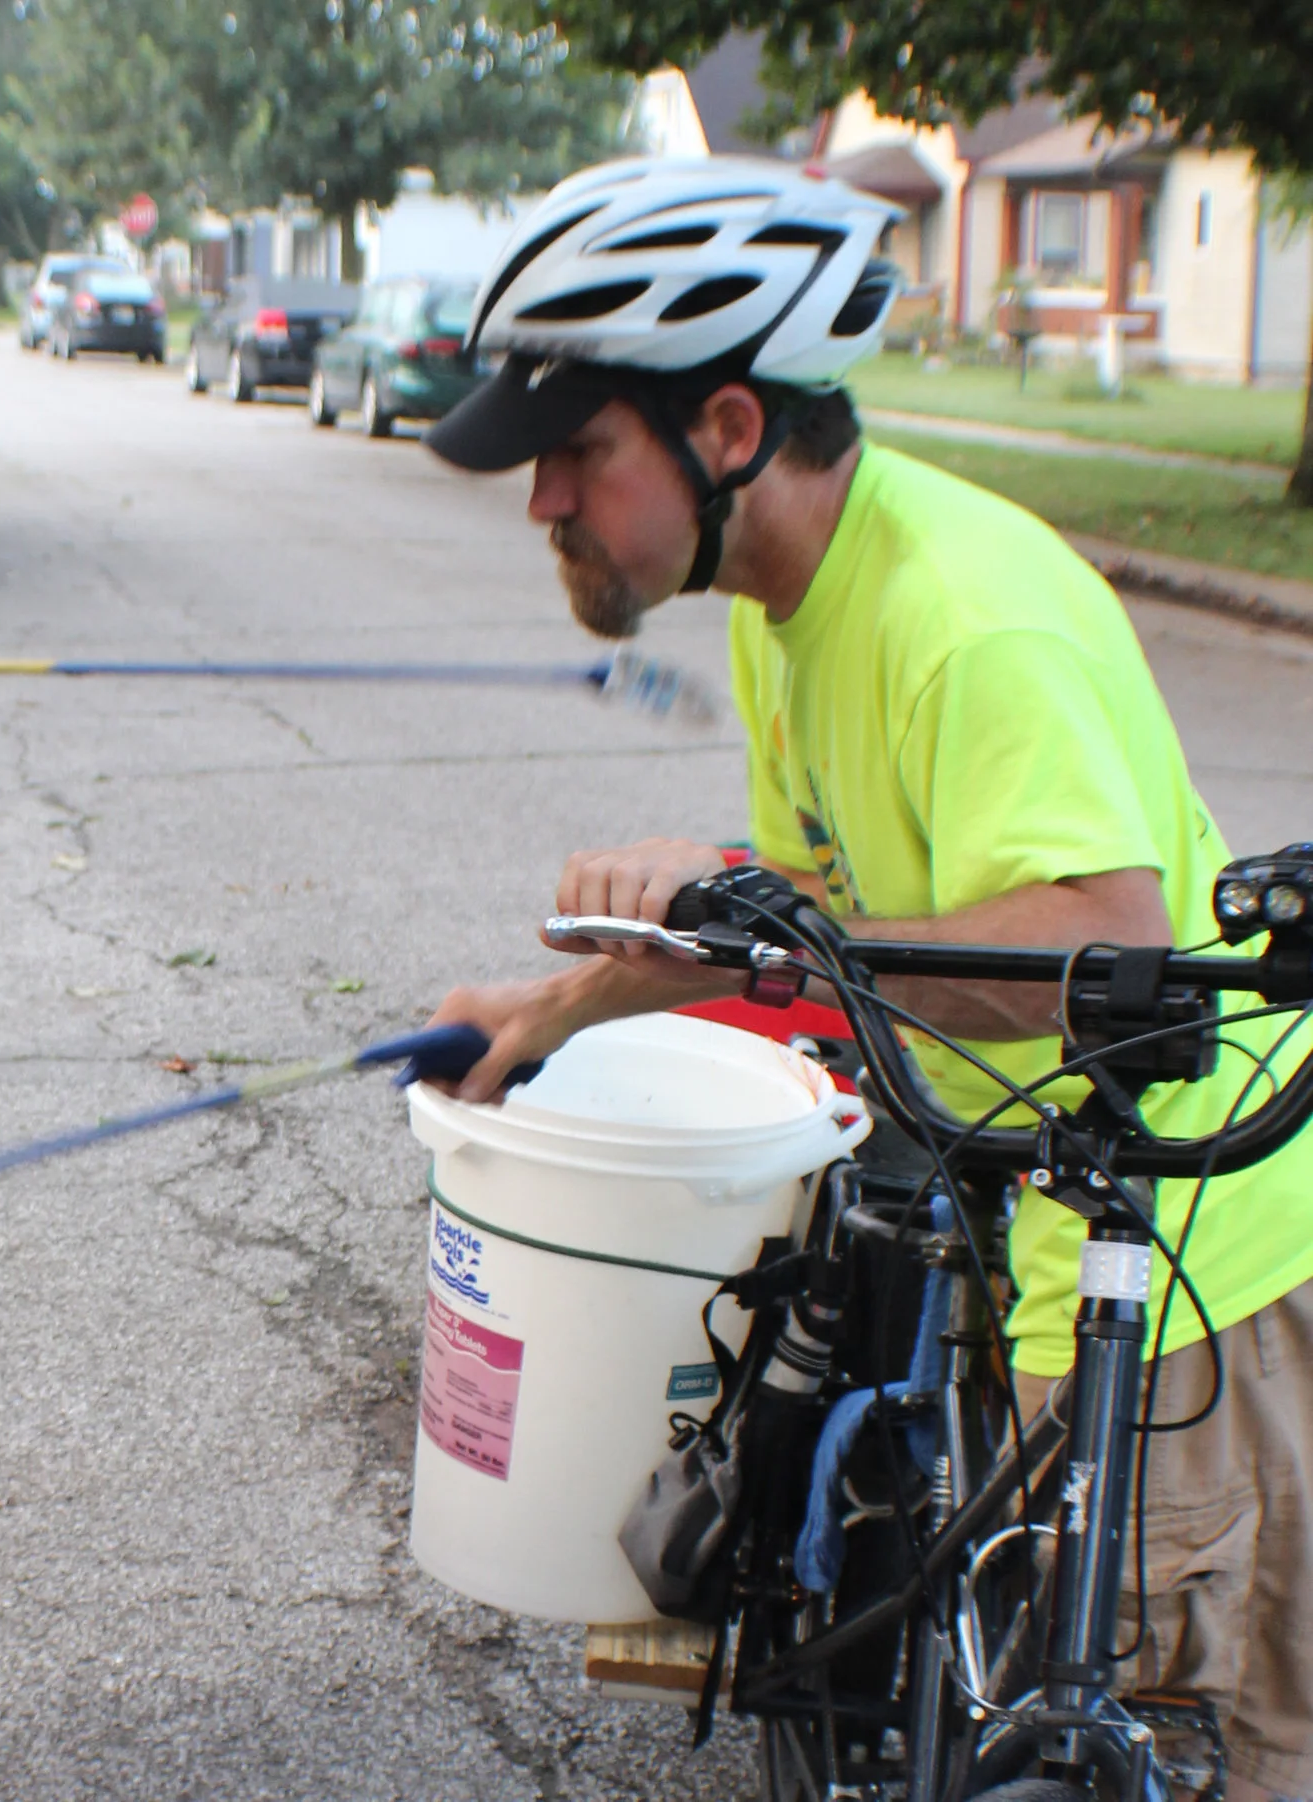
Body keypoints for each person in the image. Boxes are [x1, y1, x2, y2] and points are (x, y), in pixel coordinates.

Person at [421, 156, 1313, 1802]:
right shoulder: (784, 600)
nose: (544, 497)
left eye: (578, 450)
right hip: (1015, 1176)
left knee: (1172, 1738)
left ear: (732, 432)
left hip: (1169, 1245)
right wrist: (558, 1008)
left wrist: (730, 899)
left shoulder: (965, 622)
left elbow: (1105, 953)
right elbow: (832, 921)